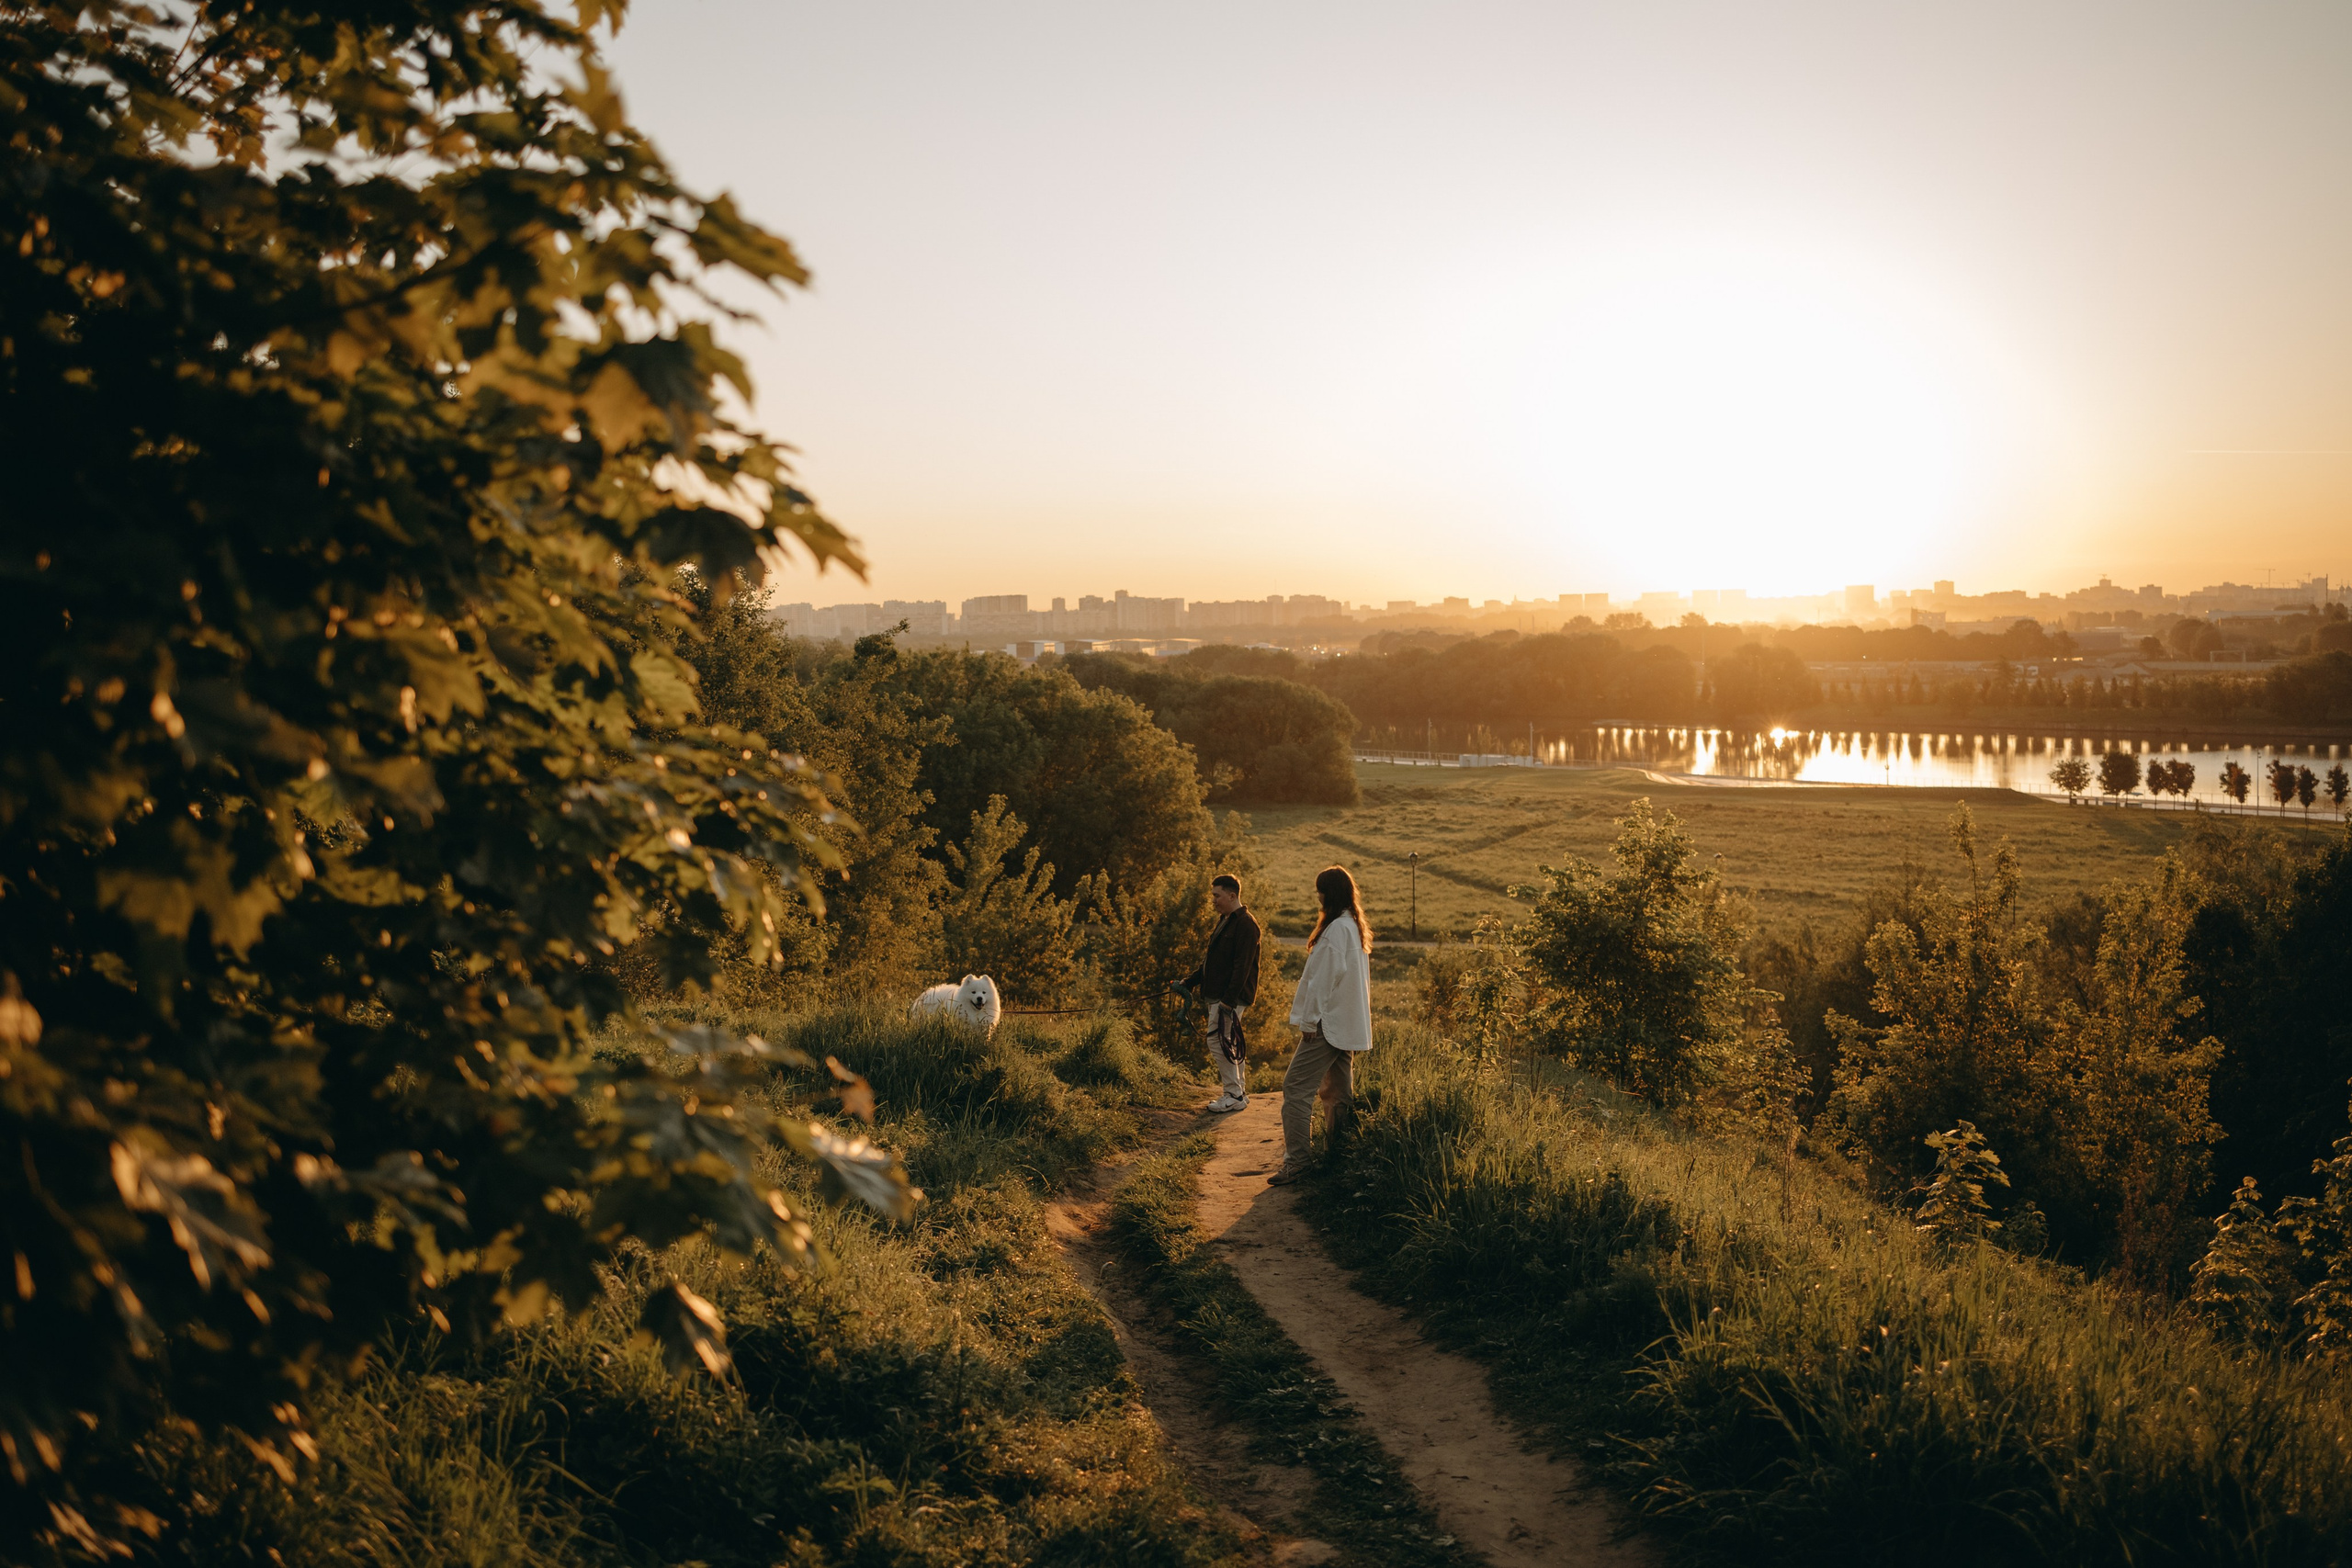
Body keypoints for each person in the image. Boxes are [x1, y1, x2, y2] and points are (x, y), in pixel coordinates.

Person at [1270, 865, 1373, 1185]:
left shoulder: (1336, 931)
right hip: (1347, 1023)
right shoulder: (1352, 926)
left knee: (1296, 1088)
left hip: (1328, 1022)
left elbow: (1323, 981)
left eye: (1320, 891)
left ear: (1329, 894)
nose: (1318, 897)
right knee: (1338, 1093)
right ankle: (1338, 1156)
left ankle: (1298, 1162)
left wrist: (1310, 1019)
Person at [1182, 873, 1261, 1113]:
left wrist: (1228, 1001)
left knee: (1217, 1042)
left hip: (1229, 998)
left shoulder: (1246, 925)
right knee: (1229, 1042)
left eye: (1217, 895)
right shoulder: (1225, 920)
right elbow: (1212, 962)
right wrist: (1190, 981)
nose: (1213, 900)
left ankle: (1233, 1095)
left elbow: (1242, 967)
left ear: (1232, 895)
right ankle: (1239, 1092)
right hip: (1220, 995)